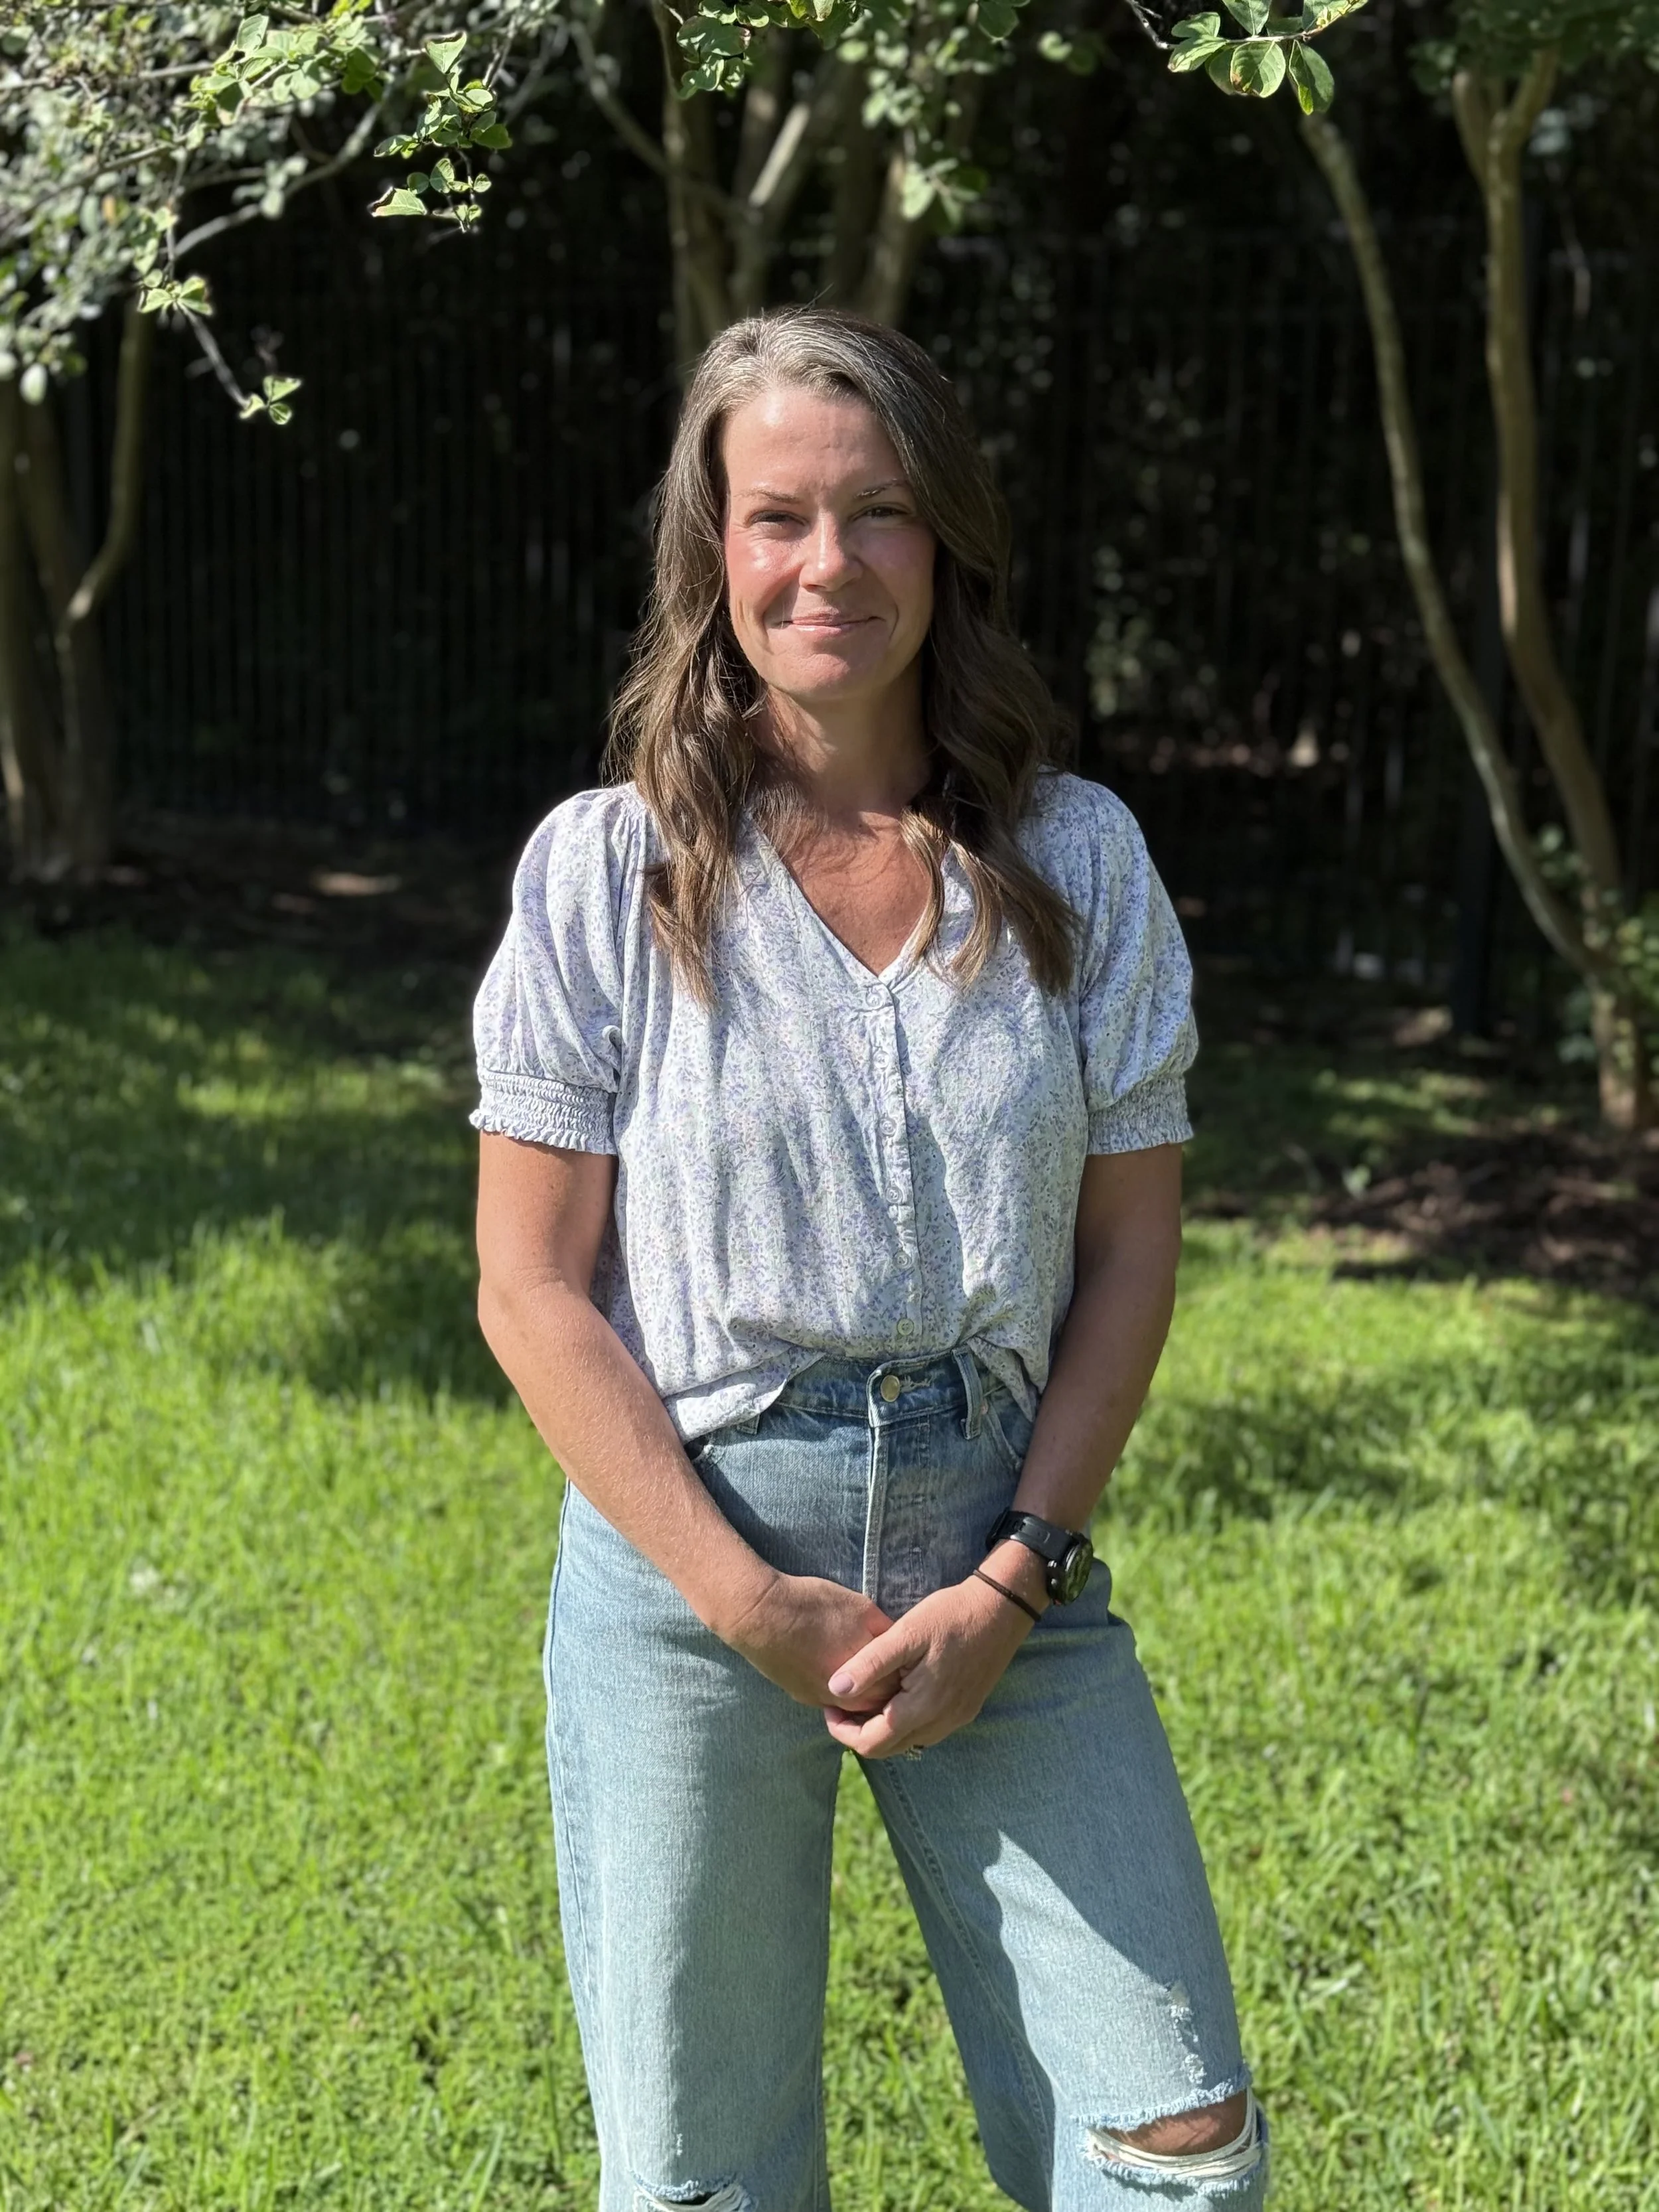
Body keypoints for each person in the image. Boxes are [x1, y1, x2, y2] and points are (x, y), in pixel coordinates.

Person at [472, 307, 1266, 2212]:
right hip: (693, 1561)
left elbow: (1129, 1258)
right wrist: (745, 1597)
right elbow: (531, 1286)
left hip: (1001, 1551)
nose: (827, 563)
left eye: (877, 511)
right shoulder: (606, 873)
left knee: (1174, 2138)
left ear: (945, 540)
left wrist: (1015, 1577)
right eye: (778, 517)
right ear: (715, 552)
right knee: (706, 2174)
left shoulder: (1078, 860)